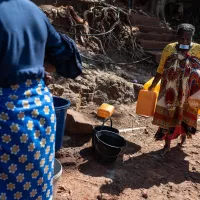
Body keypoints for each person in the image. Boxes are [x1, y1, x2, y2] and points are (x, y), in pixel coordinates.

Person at [0, 0, 81, 199]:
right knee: (34, 185)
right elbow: (66, 60)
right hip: (39, 108)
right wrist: (34, 66)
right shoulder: (31, 9)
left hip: (6, 116)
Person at [148, 23, 200, 156]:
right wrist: (153, 85)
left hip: (188, 92)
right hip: (170, 92)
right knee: (168, 116)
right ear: (177, 37)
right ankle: (167, 145)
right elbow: (160, 70)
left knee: (185, 116)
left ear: (191, 39)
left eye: (188, 39)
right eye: (182, 39)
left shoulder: (197, 49)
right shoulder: (169, 49)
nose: (184, 42)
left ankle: (183, 139)